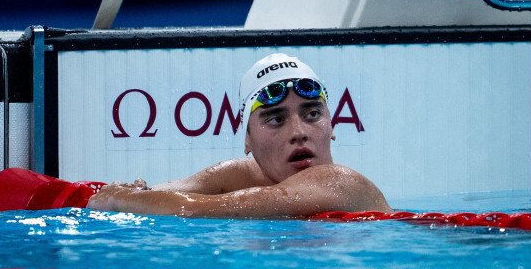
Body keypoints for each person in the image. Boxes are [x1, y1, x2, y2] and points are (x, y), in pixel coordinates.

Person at [87, 53, 392, 217]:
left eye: (312, 114)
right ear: (247, 139)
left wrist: (121, 199)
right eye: (276, 119)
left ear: (332, 124)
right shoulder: (240, 176)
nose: (299, 133)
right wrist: (135, 191)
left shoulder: (342, 182)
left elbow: (192, 208)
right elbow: (162, 192)